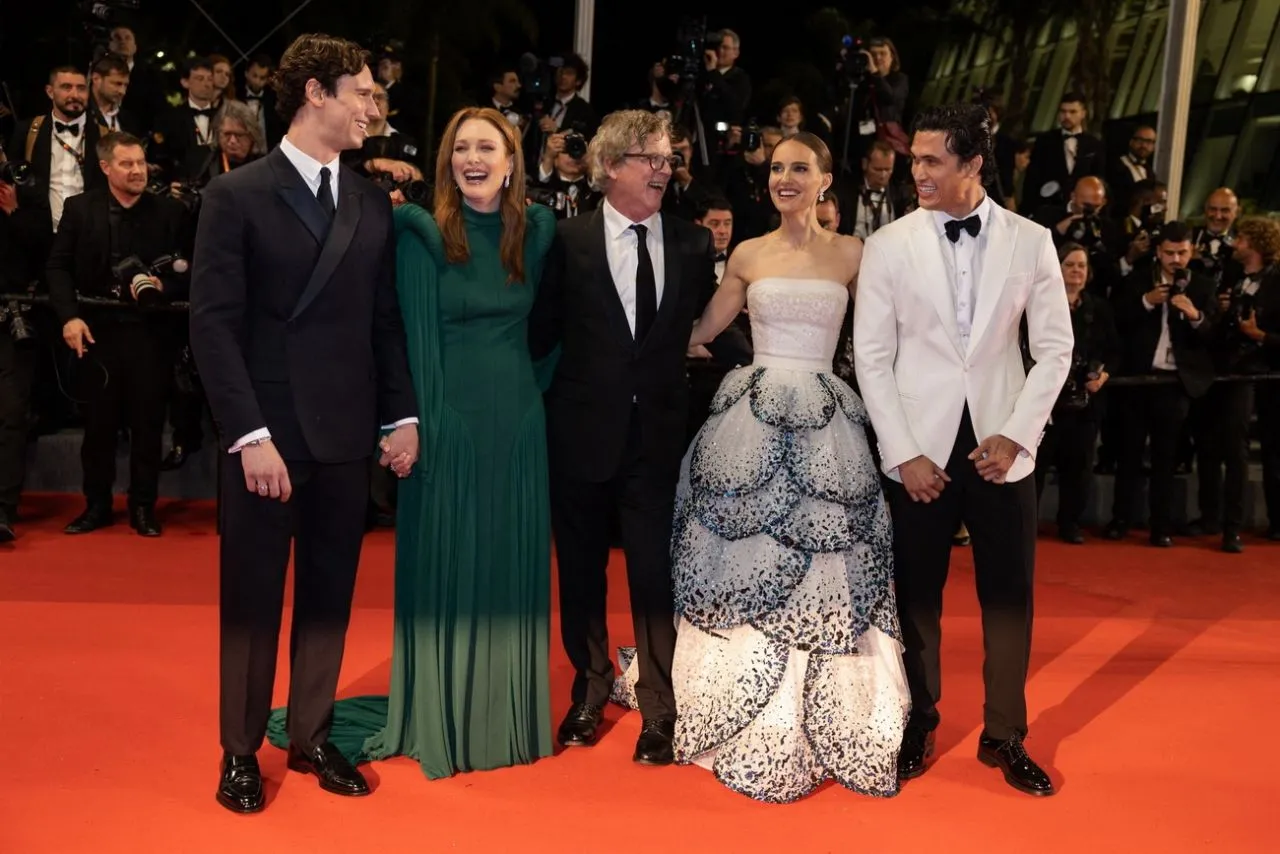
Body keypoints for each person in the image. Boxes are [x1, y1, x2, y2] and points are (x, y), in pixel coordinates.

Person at [268, 106, 559, 778]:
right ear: (446, 162)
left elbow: (555, 328)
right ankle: (445, 708)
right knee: (447, 565)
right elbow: (399, 337)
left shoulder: (535, 232)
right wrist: (411, 423)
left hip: (517, 426)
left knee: (506, 571)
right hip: (445, 424)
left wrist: (532, 394)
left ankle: (502, 708)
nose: (473, 159)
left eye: (487, 147)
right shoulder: (421, 233)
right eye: (461, 148)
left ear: (513, 161)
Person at [189, 33, 419, 814]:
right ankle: (241, 749)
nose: (373, 107)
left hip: (348, 434)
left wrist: (400, 415)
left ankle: (313, 733)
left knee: (330, 595)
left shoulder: (366, 200)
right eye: (362, 92)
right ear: (316, 93)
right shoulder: (237, 194)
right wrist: (249, 435)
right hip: (269, 437)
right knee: (252, 601)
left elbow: (383, 321)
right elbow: (212, 327)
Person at [669, 131, 908, 803]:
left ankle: (829, 707)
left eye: (799, 166)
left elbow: (884, 337)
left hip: (828, 421)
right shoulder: (747, 252)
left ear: (826, 179)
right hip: (752, 416)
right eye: (777, 167)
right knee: (744, 551)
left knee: (827, 553)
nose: (785, 176)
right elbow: (706, 327)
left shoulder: (856, 254)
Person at [853, 104, 1074, 797]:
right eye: (913, 159)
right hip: (920, 449)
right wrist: (903, 452)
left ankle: (1005, 735)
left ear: (974, 164)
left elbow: (1055, 348)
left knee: (1008, 596)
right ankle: (917, 724)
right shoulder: (888, 245)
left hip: (1002, 447)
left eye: (931, 161)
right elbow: (872, 356)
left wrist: (1016, 433)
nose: (915, 171)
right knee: (917, 594)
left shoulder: (1032, 241)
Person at [528, 109, 717, 766]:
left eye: (668, 160)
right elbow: (540, 333)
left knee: (652, 575)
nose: (664, 169)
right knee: (580, 571)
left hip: (658, 438)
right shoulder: (566, 241)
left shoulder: (694, 245)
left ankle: (659, 709)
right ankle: (589, 688)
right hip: (578, 431)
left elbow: (704, 328)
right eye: (651, 159)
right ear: (610, 167)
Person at [1033, 243, 1120, 543]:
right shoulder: (1039, 304)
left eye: (1081, 266)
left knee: (1079, 467)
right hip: (1045, 402)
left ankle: (1070, 523)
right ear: (1056, 268)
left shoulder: (1100, 308)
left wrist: (1103, 374)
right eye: (1070, 264)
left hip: (1085, 403)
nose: (1076, 271)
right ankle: (1026, 523)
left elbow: (1114, 351)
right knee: (1037, 466)